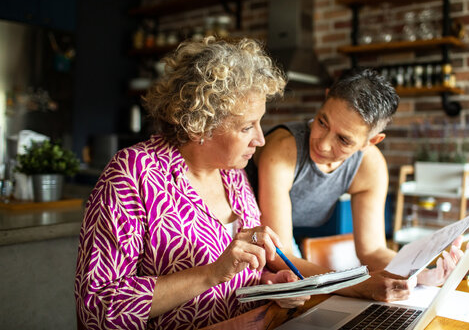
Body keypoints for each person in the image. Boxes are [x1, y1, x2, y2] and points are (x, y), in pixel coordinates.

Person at [74, 37, 308, 330]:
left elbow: (230, 279)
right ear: (200, 124)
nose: (260, 139)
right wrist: (211, 273)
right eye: (247, 126)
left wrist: (268, 285)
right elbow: (98, 308)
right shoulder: (133, 174)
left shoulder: (233, 174)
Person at [246, 68, 465, 302]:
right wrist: (358, 285)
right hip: (243, 242)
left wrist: (420, 274)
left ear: (371, 141)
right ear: (326, 97)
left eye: (343, 139)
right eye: (322, 122)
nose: (323, 144)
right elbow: (279, 255)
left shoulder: (369, 166)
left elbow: (372, 251)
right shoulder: (283, 151)